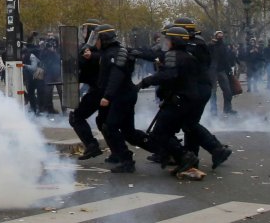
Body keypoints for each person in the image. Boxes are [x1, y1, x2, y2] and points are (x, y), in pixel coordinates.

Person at [137, 27, 201, 178]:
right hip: (189, 100)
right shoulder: (188, 55)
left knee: (160, 132)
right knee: (168, 131)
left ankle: (185, 156)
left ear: (175, 41)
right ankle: (182, 160)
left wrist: (145, 82)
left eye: (168, 39)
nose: (166, 42)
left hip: (178, 100)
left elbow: (168, 75)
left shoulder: (173, 55)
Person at [174, 18, 232, 170]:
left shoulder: (194, 45)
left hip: (198, 88)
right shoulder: (196, 43)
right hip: (199, 88)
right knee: (190, 124)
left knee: (189, 123)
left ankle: (216, 149)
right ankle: (192, 156)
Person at [93, 24, 148, 173]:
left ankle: (126, 159)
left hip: (122, 96)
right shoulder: (109, 52)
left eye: (96, 39)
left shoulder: (114, 54)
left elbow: (116, 76)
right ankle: (165, 150)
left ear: (103, 39)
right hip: (123, 95)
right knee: (128, 132)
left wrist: (107, 96)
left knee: (110, 126)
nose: (95, 42)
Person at [68, 19, 109, 162]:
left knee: (76, 117)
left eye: (85, 30)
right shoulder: (88, 47)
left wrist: (88, 57)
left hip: (100, 90)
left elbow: (104, 58)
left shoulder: (96, 48)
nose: (83, 33)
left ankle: (92, 145)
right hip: (98, 89)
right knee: (104, 122)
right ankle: (119, 153)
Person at [209, 30, 237, 115]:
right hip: (212, 71)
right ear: (215, 36)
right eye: (218, 35)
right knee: (213, 92)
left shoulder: (224, 46)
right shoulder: (211, 45)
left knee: (228, 91)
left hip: (222, 70)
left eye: (221, 36)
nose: (220, 37)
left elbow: (226, 59)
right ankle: (213, 111)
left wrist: (229, 70)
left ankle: (227, 109)